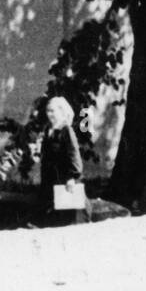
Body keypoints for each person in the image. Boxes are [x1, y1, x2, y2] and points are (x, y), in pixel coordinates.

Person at [38, 96, 89, 226]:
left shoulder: (66, 131)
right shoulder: (49, 131)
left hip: (66, 179)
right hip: (52, 179)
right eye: (48, 111)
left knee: (70, 215)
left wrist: (72, 177)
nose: (49, 114)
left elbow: (74, 155)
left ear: (61, 111)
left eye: (52, 111)